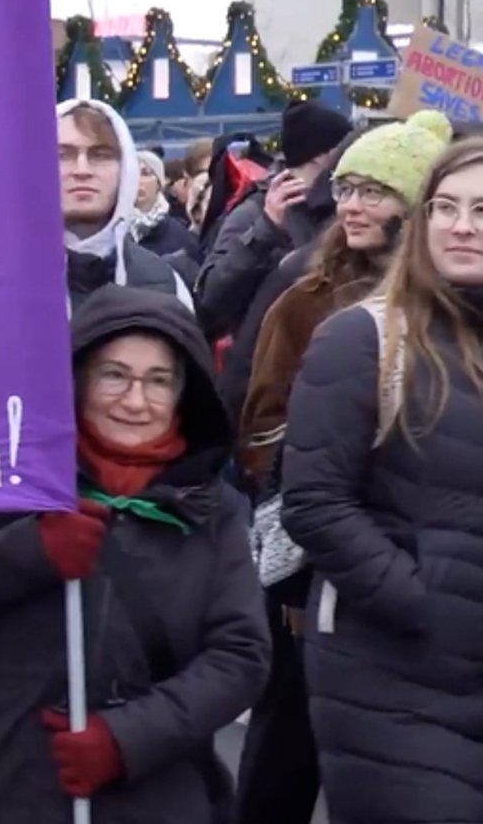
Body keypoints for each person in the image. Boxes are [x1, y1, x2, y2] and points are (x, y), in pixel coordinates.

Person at [0, 286, 268, 823]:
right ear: (77, 377)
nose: (135, 401)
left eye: (158, 381)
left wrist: (125, 738)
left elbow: (240, 656)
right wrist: (27, 551)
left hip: (149, 794)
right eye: (114, 374)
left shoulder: (213, 508)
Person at [232, 110, 447, 824]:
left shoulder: (453, 305)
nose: (351, 204)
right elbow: (253, 418)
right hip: (313, 565)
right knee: (285, 746)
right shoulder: (308, 291)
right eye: (347, 185)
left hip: (431, 567)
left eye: (375, 190)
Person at [282, 137, 483, 824]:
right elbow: (312, 501)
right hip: (391, 675)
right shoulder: (362, 339)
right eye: (446, 207)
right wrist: (422, 600)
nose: (462, 224)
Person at [195, 100, 351, 339]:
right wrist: (265, 229)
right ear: (322, 155)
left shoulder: (337, 207)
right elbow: (210, 296)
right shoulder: (254, 211)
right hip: (261, 359)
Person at [54, 99, 191, 311]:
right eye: (63, 155)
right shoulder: (5, 282)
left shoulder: (165, 285)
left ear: (125, 170)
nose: (82, 170)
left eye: (100, 155)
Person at [131, 149, 199, 270]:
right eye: (131, 173)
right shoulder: (112, 230)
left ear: (159, 182)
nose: (137, 179)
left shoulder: (180, 233)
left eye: (146, 173)